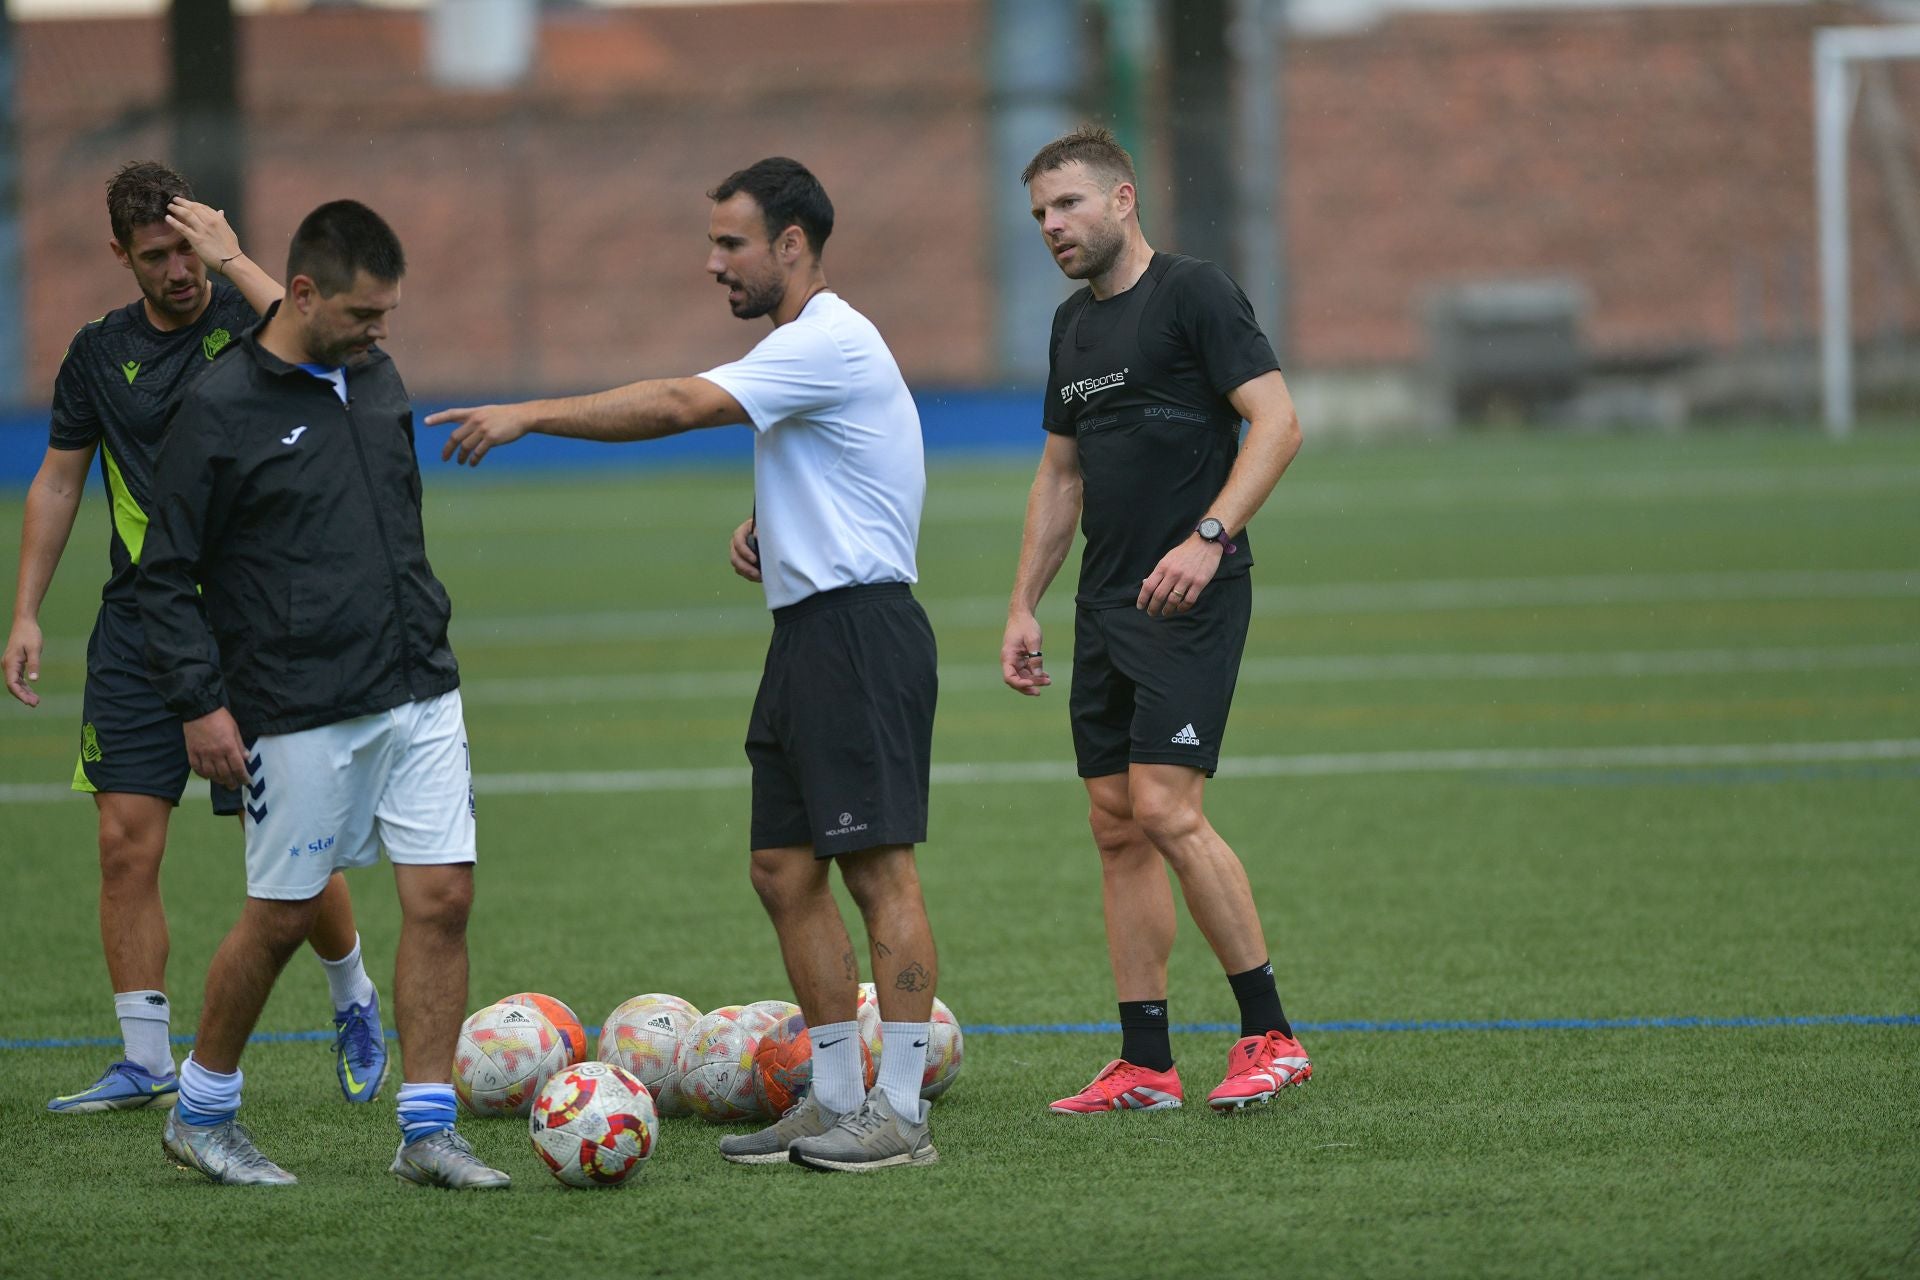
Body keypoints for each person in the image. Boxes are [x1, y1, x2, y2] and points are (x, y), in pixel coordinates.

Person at [428, 156, 942, 1172]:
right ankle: (834, 1098)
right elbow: (849, 466)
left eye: (731, 243)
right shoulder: (804, 349)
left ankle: (901, 1113)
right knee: (783, 870)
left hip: (859, 636)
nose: (714, 264)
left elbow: (672, 403)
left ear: (791, 244)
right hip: (808, 632)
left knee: (879, 871)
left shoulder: (831, 337)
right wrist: (777, 526)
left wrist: (532, 414)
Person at [4, 162, 386, 1115]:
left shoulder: (258, 319)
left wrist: (238, 257)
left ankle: (354, 997)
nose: (179, 271)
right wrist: (25, 610)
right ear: (121, 257)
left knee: (291, 842)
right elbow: (58, 480)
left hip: (257, 624)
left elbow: (344, 358)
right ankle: (145, 1057)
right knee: (124, 842)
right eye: (156, 257)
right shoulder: (98, 353)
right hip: (141, 623)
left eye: (188, 249)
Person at [137, 199, 504, 1188]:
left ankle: (427, 1130)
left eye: (388, 316)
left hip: (419, 684)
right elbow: (161, 575)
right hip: (294, 703)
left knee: (444, 895)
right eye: (364, 315)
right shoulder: (217, 411)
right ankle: (202, 1108)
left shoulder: (370, 375)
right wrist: (199, 701)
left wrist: (244, 261)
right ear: (305, 294)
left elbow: (322, 343)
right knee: (282, 914)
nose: (382, 336)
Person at [1000, 126, 1311, 1114]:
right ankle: (1147, 1061)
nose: (1052, 225)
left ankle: (1272, 1035)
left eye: (1069, 205)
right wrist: (1023, 605)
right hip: (1104, 603)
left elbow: (1279, 420)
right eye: (1041, 212)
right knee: (1116, 826)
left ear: (1123, 199)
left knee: (1168, 809)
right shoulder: (1069, 329)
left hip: (1192, 594)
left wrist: (1211, 533)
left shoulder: (1195, 293)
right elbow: (1060, 475)